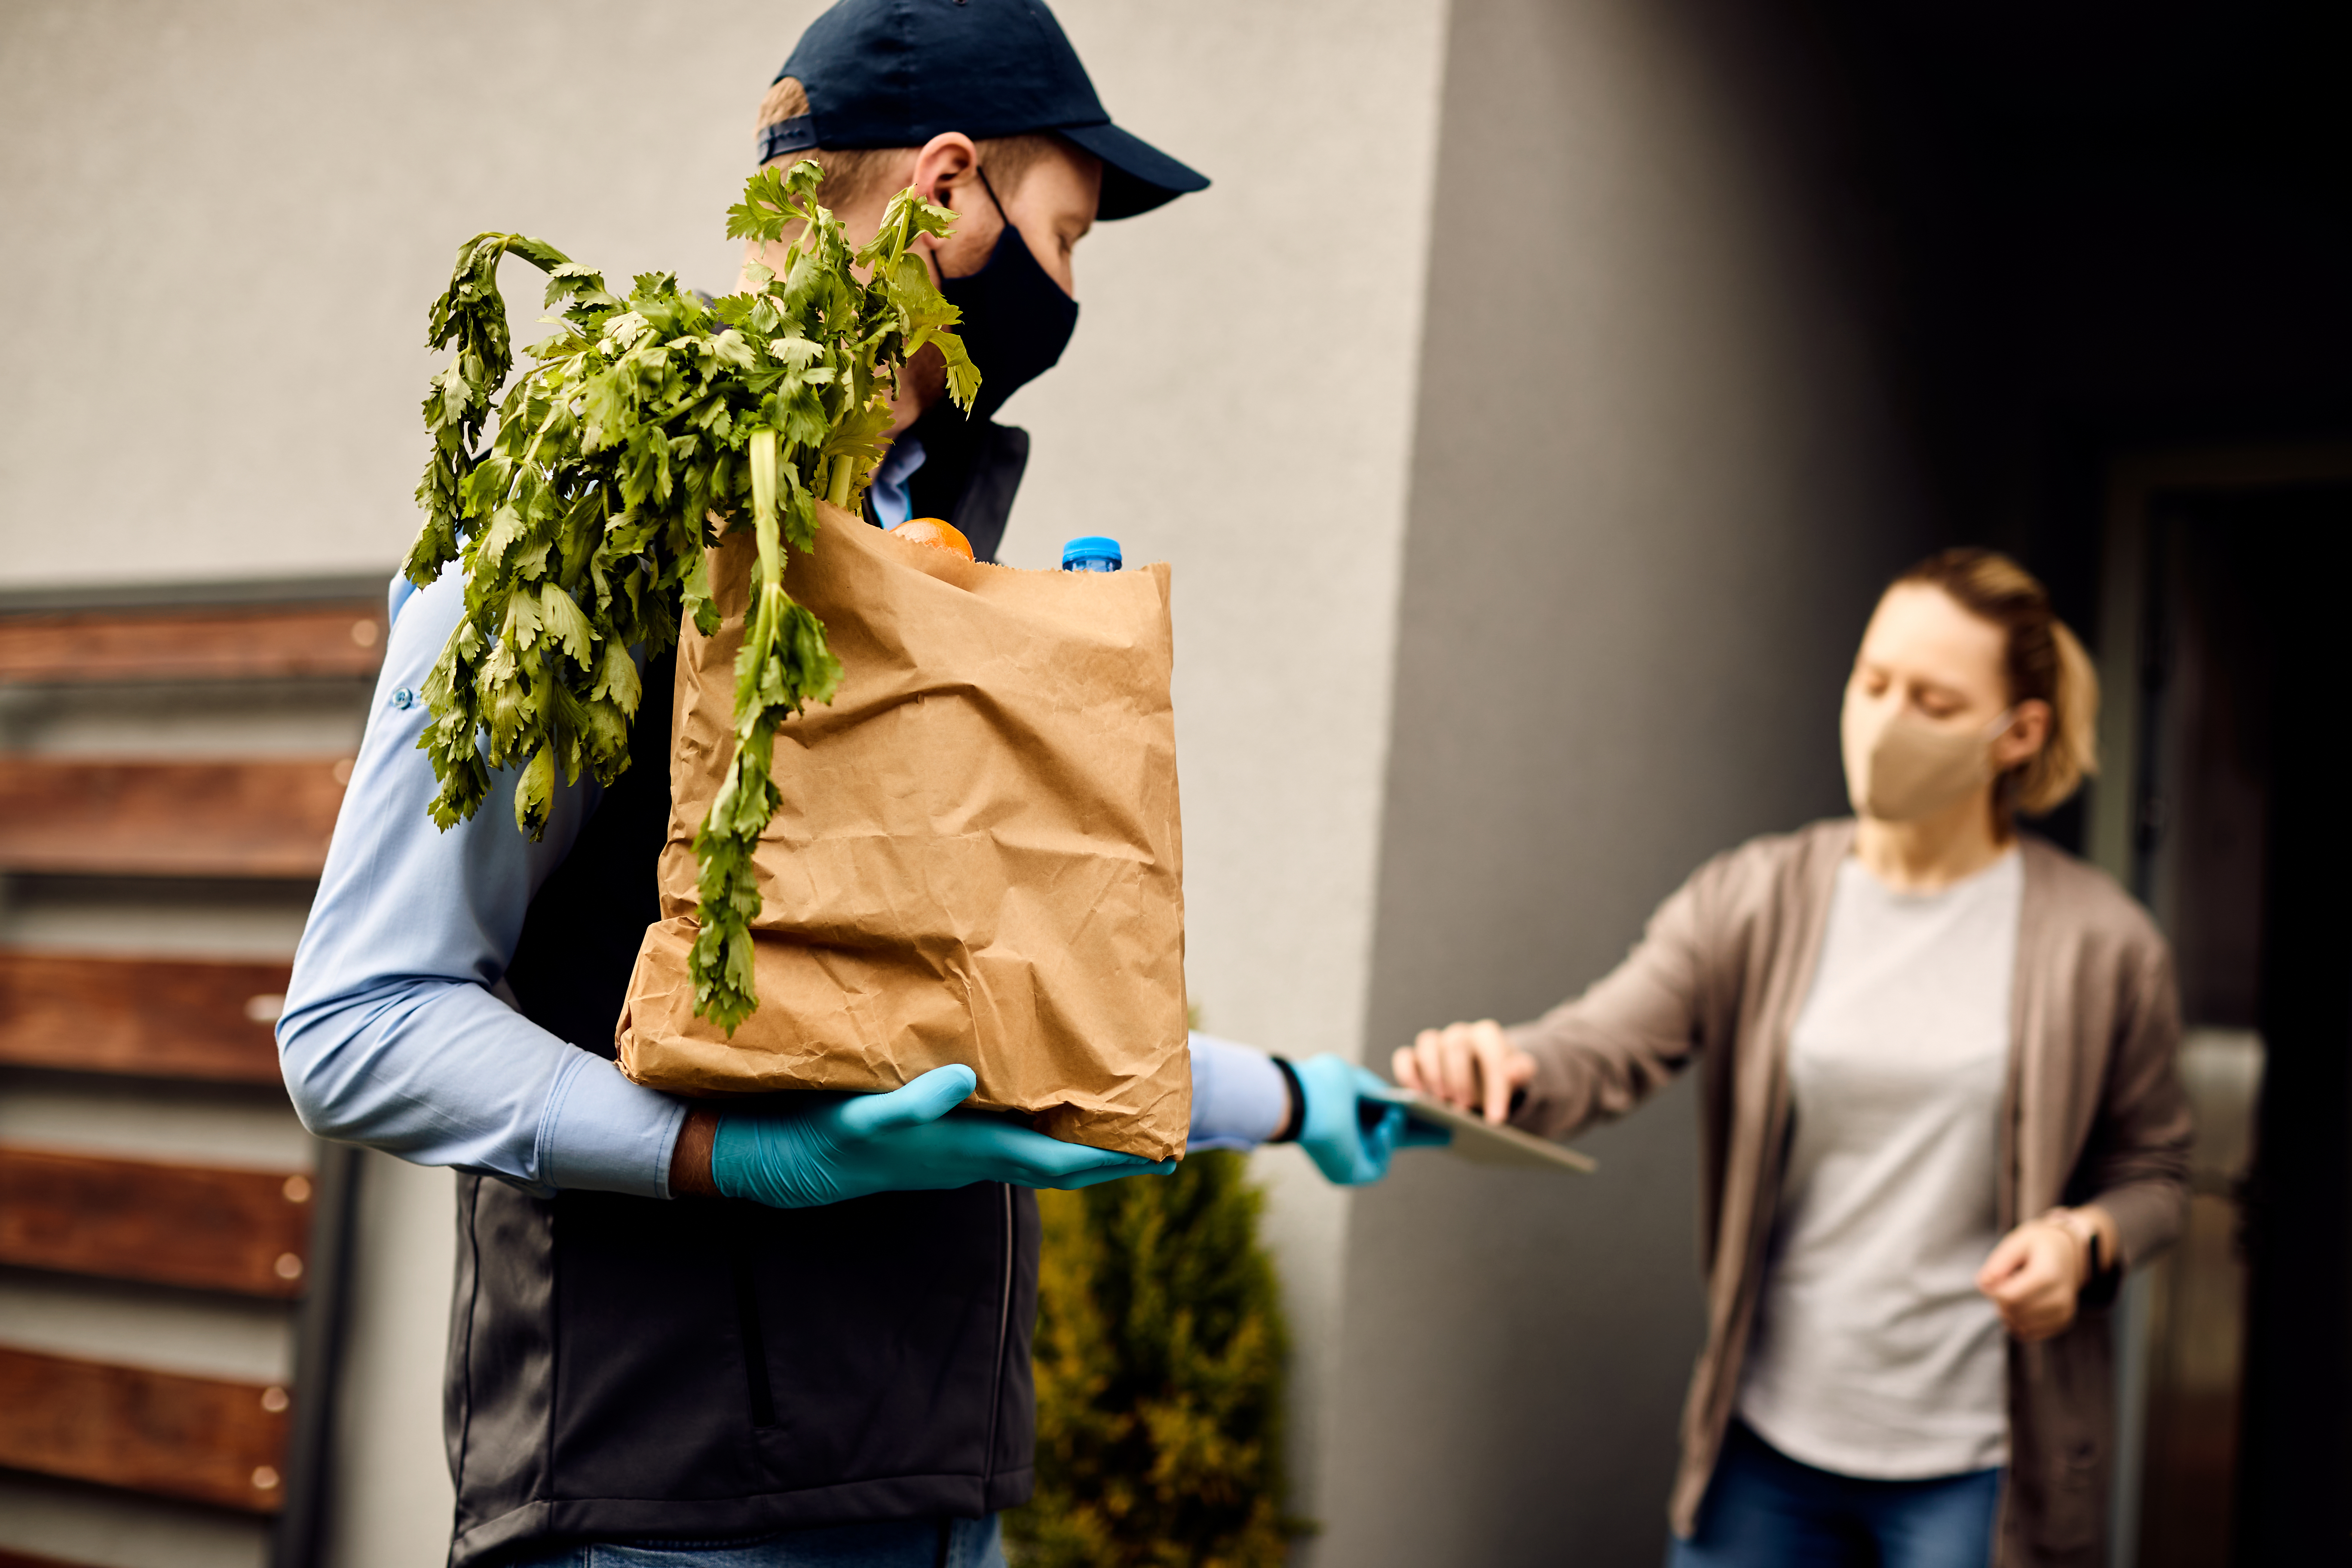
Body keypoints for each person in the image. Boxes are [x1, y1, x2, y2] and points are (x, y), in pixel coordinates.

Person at [279, 6, 1421, 1566]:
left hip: (935, 1495)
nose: (1070, 291)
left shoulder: (920, 548)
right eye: (1067, 235)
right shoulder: (587, 534)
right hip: (664, 1508)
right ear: (946, 191)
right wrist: (719, 1153)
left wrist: (1294, 1092)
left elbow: (970, 1028)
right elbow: (359, 1023)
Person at [1394, 548, 2192, 1568]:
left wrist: (2085, 1244)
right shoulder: (1754, 897)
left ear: (2018, 734)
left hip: (1977, 1470)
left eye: (1934, 702)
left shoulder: (2105, 943)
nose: (1884, 720)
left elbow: (2159, 1177)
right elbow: (1599, 1045)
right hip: (1765, 1455)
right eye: (1872, 683)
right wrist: (1503, 1067)